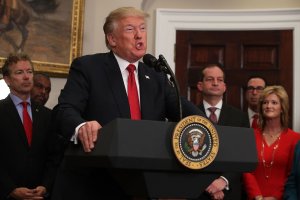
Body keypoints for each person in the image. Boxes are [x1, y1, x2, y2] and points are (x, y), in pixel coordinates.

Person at [51, 7, 205, 200]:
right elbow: (64, 110)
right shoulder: (89, 67)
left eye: (142, 28)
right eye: (131, 29)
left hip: (142, 184)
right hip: (95, 183)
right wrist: (81, 126)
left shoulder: (156, 75)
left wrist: (208, 128)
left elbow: (185, 112)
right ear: (112, 39)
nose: (140, 36)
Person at [0, 53, 58, 200]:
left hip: (39, 195)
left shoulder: (47, 115)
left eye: (29, 72)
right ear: (7, 79)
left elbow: (53, 156)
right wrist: (10, 189)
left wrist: (45, 185)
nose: (26, 77)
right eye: (19, 72)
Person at [196, 63, 249, 200]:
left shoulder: (240, 117)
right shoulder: (188, 115)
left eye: (219, 80)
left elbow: (243, 155)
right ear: (200, 85)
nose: (215, 83)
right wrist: (208, 183)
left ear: (224, 87)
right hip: (197, 191)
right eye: (209, 79)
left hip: (230, 192)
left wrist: (223, 180)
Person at [243, 85, 300, 200]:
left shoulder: (295, 138)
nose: (269, 106)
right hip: (252, 197)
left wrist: (276, 197)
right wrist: (257, 196)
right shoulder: (250, 136)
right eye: (265, 102)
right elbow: (246, 169)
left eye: (274, 103)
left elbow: (292, 176)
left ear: (282, 107)